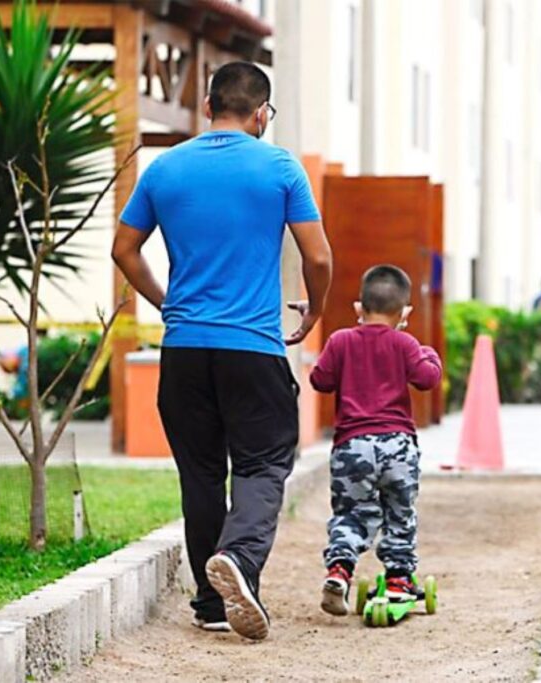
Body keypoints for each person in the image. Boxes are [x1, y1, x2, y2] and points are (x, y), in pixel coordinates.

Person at [111, 62, 332, 641]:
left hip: (184, 349)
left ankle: (212, 603)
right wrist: (315, 308)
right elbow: (318, 256)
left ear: (208, 106)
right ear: (262, 114)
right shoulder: (279, 167)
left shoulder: (165, 167)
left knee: (201, 475)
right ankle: (238, 557)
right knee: (263, 464)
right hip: (252, 348)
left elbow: (124, 249)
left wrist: (166, 303)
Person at [309, 265, 442, 616]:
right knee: (400, 513)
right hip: (397, 446)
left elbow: (320, 380)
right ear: (405, 313)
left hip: (352, 447)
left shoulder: (340, 341)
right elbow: (427, 378)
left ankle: (339, 569)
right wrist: (429, 354)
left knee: (351, 514)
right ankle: (398, 578)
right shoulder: (405, 343)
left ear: (359, 307)